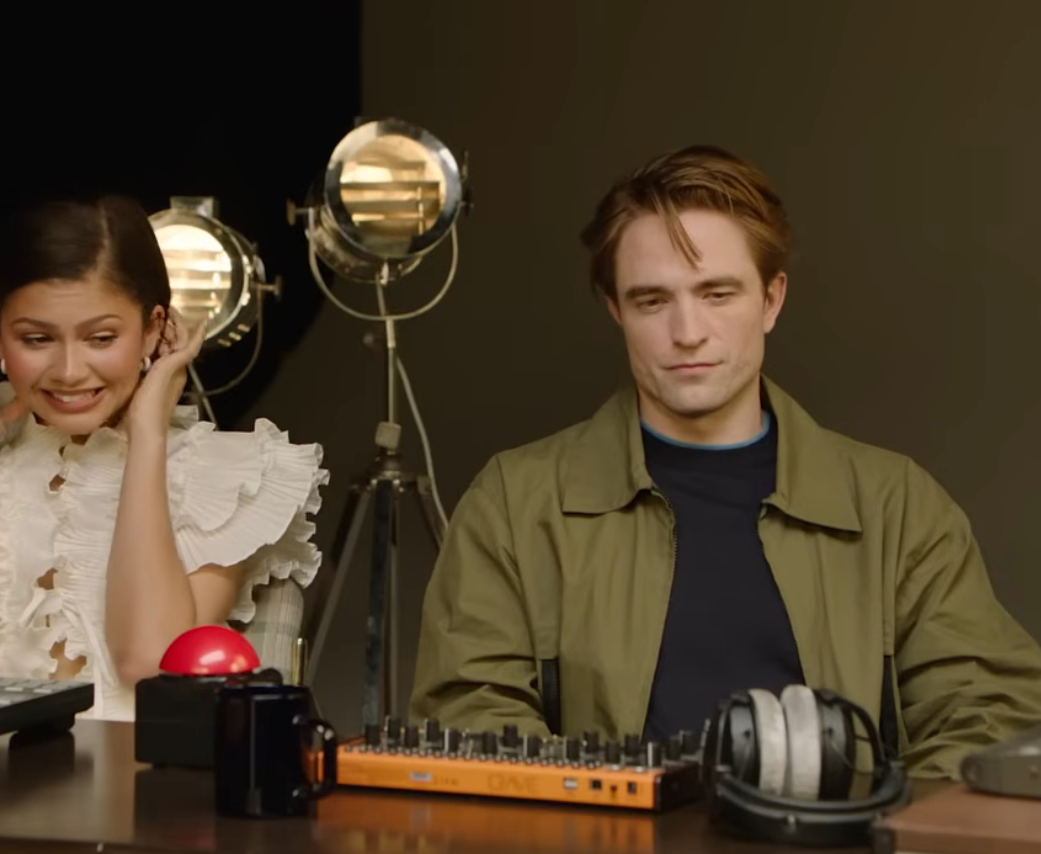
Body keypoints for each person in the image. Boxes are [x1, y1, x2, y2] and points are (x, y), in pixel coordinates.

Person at [408, 145, 1041, 779]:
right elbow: (469, 715)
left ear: (771, 300)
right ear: (616, 310)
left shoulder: (895, 505)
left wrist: (875, 832)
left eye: (717, 294)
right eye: (653, 301)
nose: (688, 331)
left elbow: (989, 711)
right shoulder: (516, 502)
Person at [0, 194, 329, 721]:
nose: (68, 370)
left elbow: (151, 663)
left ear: (154, 330)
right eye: (36, 338)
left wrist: (148, 440)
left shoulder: (223, 478)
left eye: (101, 337)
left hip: (143, 795)